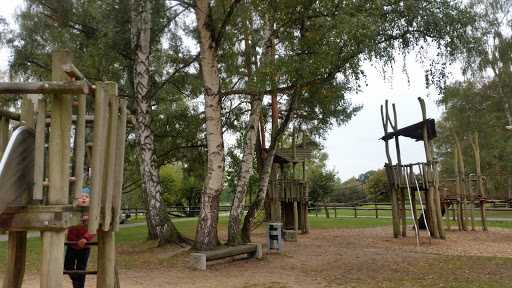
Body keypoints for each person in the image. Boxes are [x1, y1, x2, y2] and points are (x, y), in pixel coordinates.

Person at [64, 187, 96, 288]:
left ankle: (79, 286)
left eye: (87, 197)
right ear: (76, 200)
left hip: (85, 246)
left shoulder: (92, 213)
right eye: (81, 197)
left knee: (81, 268)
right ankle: (75, 280)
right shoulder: (73, 212)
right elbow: (66, 222)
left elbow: (94, 229)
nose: (84, 198)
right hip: (72, 244)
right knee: (67, 266)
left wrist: (85, 238)